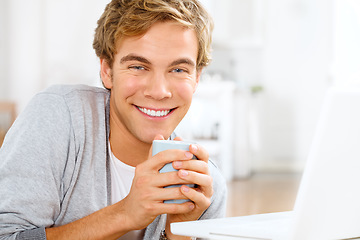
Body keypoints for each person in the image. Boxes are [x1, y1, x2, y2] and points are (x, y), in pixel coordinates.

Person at [0, 0, 227, 239]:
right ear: (107, 71)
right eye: (139, 66)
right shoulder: (59, 116)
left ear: (197, 78)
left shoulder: (202, 187)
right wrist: (125, 214)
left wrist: (178, 233)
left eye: (179, 70)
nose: (159, 91)